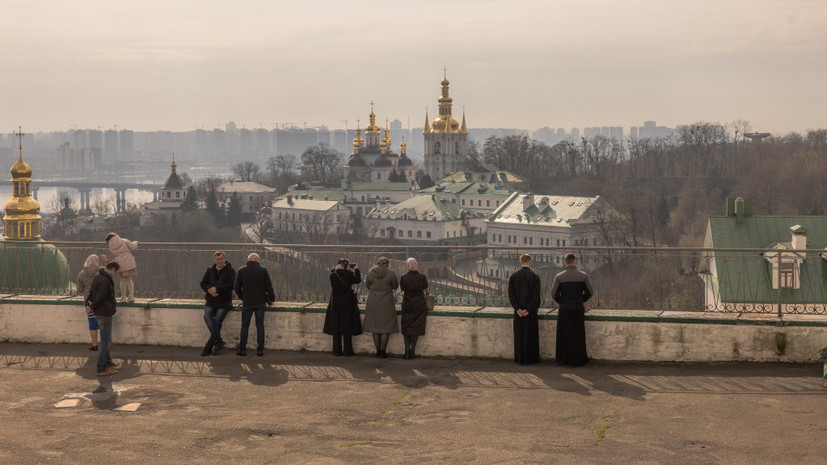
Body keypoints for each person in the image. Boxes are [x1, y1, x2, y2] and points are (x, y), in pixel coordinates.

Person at [551, 253, 594, 366]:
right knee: (578, 334)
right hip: (578, 308)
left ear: (565, 262)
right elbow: (590, 292)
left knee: (564, 334)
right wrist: (581, 299)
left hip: (564, 309)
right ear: (575, 262)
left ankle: (564, 358)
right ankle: (578, 359)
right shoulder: (583, 276)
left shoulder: (559, 276)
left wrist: (562, 301)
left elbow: (553, 293)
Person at [234, 253, 275, 357]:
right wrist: (271, 299)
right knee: (260, 326)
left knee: (245, 326)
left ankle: (242, 349)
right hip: (260, 302)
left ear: (249, 260)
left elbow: (237, 287)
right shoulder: (263, 270)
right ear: (256, 260)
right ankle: (260, 350)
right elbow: (269, 286)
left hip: (247, 302)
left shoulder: (241, 270)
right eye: (259, 259)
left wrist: (242, 297)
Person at [87, 261, 122, 376]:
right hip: (104, 312)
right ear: (112, 269)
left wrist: (89, 303)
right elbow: (100, 297)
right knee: (105, 341)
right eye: (115, 272)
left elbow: (92, 291)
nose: (115, 274)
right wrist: (92, 306)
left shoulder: (98, 275)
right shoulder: (106, 280)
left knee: (105, 339)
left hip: (100, 312)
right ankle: (101, 368)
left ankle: (108, 362)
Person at [199, 251, 236, 356]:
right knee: (207, 317)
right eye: (217, 259)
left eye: (221, 259)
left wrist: (217, 289)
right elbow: (203, 283)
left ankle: (209, 345)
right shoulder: (210, 270)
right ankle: (218, 341)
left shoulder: (230, 271)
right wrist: (209, 290)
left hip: (224, 302)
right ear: (215, 260)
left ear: (224, 259)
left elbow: (231, 285)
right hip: (211, 301)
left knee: (218, 320)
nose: (219, 261)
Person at [323, 258, 362, 356]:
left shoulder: (333, 275)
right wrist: (356, 269)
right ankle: (348, 351)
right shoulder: (348, 274)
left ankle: (337, 351)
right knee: (347, 326)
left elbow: (334, 274)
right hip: (347, 302)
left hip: (336, 302)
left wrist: (336, 269)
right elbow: (357, 280)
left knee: (336, 325)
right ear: (346, 265)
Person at [508, 254, 542, 365]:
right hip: (530, 312)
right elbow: (536, 296)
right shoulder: (535, 277)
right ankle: (531, 358)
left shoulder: (513, 276)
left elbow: (511, 294)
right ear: (529, 262)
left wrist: (517, 309)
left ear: (520, 261)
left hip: (518, 312)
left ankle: (520, 358)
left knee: (519, 336)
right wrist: (527, 309)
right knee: (530, 336)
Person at [363, 256, 399, 358]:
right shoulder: (391, 273)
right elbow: (395, 286)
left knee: (375, 328)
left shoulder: (370, 273)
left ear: (377, 263)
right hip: (387, 302)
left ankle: (378, 351)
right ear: (387, 264)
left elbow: (367, 286)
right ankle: (383, 352)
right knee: (385, 328)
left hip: (373, 301)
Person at [399, 257, 429, 360]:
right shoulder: (422, 277)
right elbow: (425, 286)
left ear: (407, 266)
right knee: (416, 328)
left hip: (407, 304)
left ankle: (406, 352)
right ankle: (412, 351)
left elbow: (403, 289)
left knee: (406, 329)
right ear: (416, 265)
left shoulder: (403, 277)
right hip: (419, 304)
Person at [76, 254, 103, 351]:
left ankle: (94, 345)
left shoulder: (81, 274)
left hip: (89, 302)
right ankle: (104, 345)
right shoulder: (101, 271)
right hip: (101, 300)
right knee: (103, 323)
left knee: (92, 323)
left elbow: (79, 290)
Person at [103, 232, 138, 303]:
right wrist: (135, 242)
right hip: (128, 261)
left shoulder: (111, 246)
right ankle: (131, 297)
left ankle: (123, 297)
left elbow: (112, 253)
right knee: (129, 280)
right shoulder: (124, 241)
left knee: (122, 280)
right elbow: (133, 247)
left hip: (119, 263)